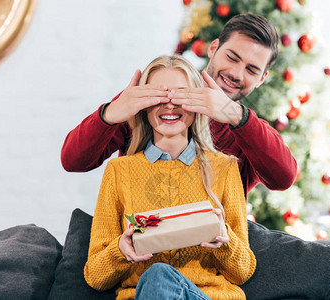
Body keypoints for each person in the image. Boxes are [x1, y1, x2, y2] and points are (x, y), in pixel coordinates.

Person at [61, 13, 298, 198]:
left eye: (251, 69)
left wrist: (234, 115)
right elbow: (73, 161)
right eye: (232, 57)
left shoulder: (246, 129)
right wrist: (110, 114)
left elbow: (283, 178)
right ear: (214, 48)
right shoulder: (153, 97)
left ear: (262, 79)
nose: (236, 73)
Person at [84, 55, 255, 299]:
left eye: (181, 96)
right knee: (156, 277)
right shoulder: (119, 172)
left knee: (157, 276)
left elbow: (244, 271)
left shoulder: (224, 168)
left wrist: (224, 239)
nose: (170, 105)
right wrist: (120, 251)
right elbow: (95, 277)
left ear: (197, 104)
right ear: (143, 106)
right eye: (159, 96)